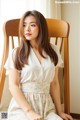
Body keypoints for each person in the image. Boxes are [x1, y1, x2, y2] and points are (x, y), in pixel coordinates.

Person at [4, 10, 73, 120]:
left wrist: (60, 112)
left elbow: (54, 83)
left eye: (32, 25)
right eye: (24, 25)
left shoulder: (53, 50)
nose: (27, 29)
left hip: (47, 106)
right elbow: (13, 85)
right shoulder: (16, 53)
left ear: (41, 28)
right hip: (23, 107)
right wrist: (29, 111)